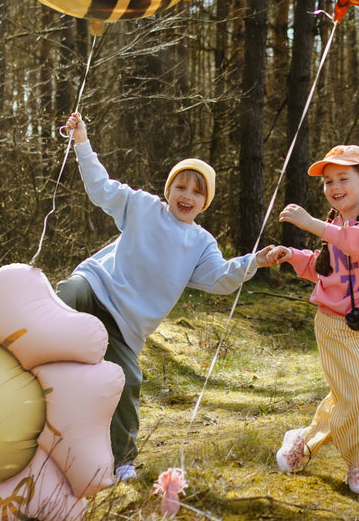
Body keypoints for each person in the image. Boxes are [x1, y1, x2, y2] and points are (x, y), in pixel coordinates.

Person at [56, 111, 285, 481]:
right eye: (181, 187)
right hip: (96, 287)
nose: (187, 196)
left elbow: (222, 278)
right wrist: (81, 141)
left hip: (126, 327)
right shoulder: (143, 207)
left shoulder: (201, 243)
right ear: (168, 190)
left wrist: (255, 261)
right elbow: (100, 187)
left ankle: (123, 462)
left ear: (204, 202)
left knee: (127, 380)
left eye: (197, 192)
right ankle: (22, 346)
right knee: (68, 294)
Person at [274, 145, 359, 498]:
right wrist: (293, 256)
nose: (334, 186)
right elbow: (325, 267)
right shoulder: (333, 224)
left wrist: (312, 225)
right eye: (328, 181)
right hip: (334, 322)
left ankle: (304, 440)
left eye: (344, 178)